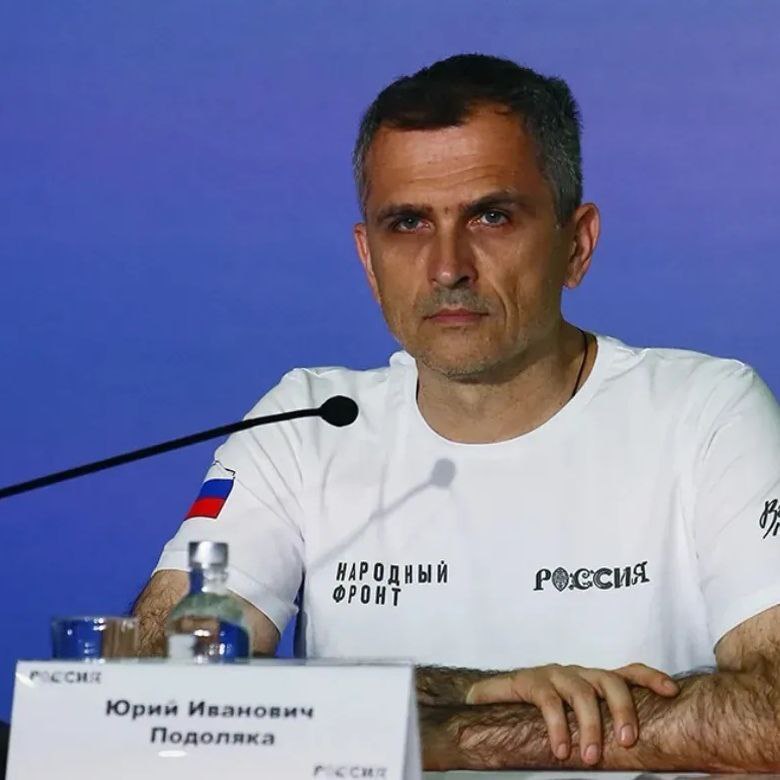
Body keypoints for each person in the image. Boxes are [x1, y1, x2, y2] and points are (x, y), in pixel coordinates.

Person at [133, 54, 780, 771]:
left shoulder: (705, 413)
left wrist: (452, 734)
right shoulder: (305, 425)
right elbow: (157, 686)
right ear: (368, 260)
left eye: (491, 216)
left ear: (577, 244)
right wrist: (458, 694)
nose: (447, 267)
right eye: (408, 222)